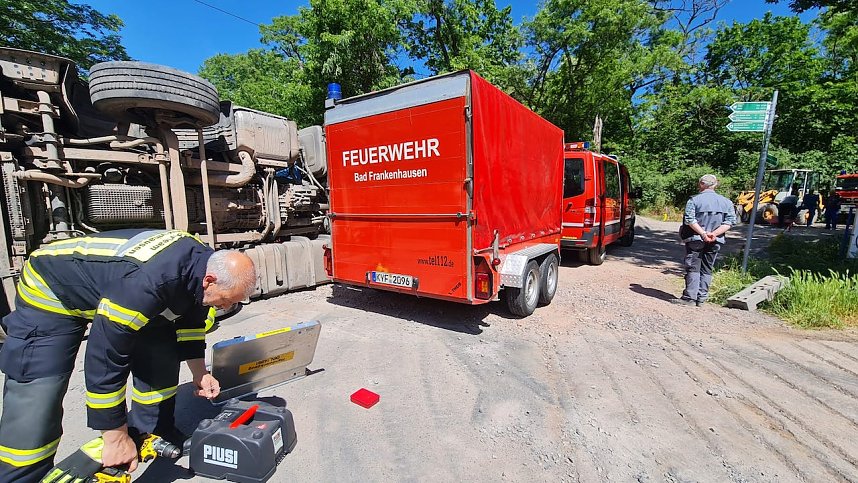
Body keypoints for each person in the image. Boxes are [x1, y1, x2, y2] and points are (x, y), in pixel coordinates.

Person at [0, 229, 257, 482]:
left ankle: (153, 432)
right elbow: (105, 356)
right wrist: (114, 436)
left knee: (161, 350)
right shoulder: (150, 282)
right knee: (39, 390)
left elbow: (191, 322)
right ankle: (22, 474)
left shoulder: (197, 271)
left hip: (115, 287)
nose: (225, 307)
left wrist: (200, 373)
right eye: (225, 300)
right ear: (209, 280)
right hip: (53, 289)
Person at [672, 174, 736, 307]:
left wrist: (703, 233)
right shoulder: (727, 202)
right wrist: (714, 234)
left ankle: (689, 297)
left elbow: (690, 220)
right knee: (707, 268)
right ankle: (701, 298)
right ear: (715, 184)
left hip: (695, 239)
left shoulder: (693, 200)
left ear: (701, 184)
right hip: (716, 240)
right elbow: (730, 222)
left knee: (693, 267)